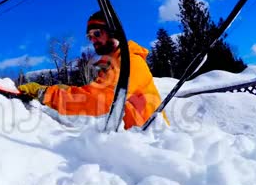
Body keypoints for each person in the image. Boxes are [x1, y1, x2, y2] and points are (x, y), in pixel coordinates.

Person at [17, 11, 168, 130]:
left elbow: (99, 99)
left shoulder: (129, 62)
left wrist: (45, 93)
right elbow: (93, 93)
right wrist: (62, 90)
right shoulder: (112, 64)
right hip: (136, 140)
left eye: (97, 33)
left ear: (112, 31)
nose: (93, 40)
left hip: (152, 143)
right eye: (89, 36)